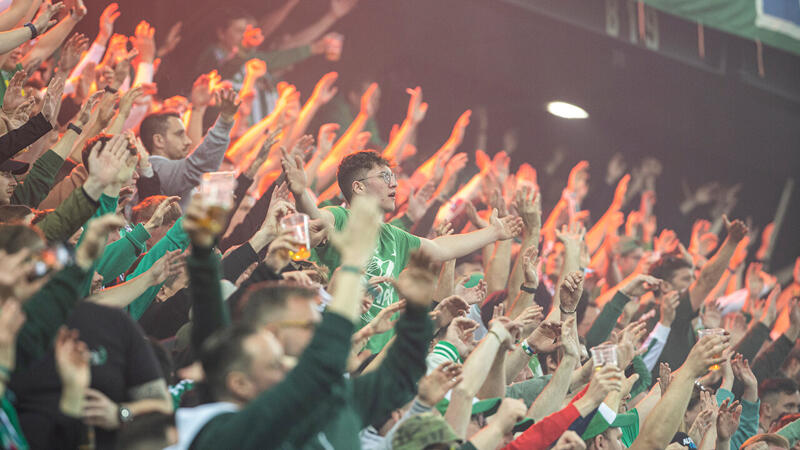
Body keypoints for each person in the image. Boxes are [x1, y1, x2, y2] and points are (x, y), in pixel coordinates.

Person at [283, 149, 522, 352]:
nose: (394, 183)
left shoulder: (394, 236)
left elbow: (439, 247)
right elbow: (317, 220)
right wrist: (301, 193)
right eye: (384, 176)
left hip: (374, 358)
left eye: (393, 176)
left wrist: (494, 233)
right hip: (335, 347)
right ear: (358, 187)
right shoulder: (340, 216)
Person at [137, 88, 239, 208]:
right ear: (159, 141)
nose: (188, 141)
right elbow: (197, 166)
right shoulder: (157, 170)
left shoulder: (165, 169)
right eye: (179, 134)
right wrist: (224, 122)